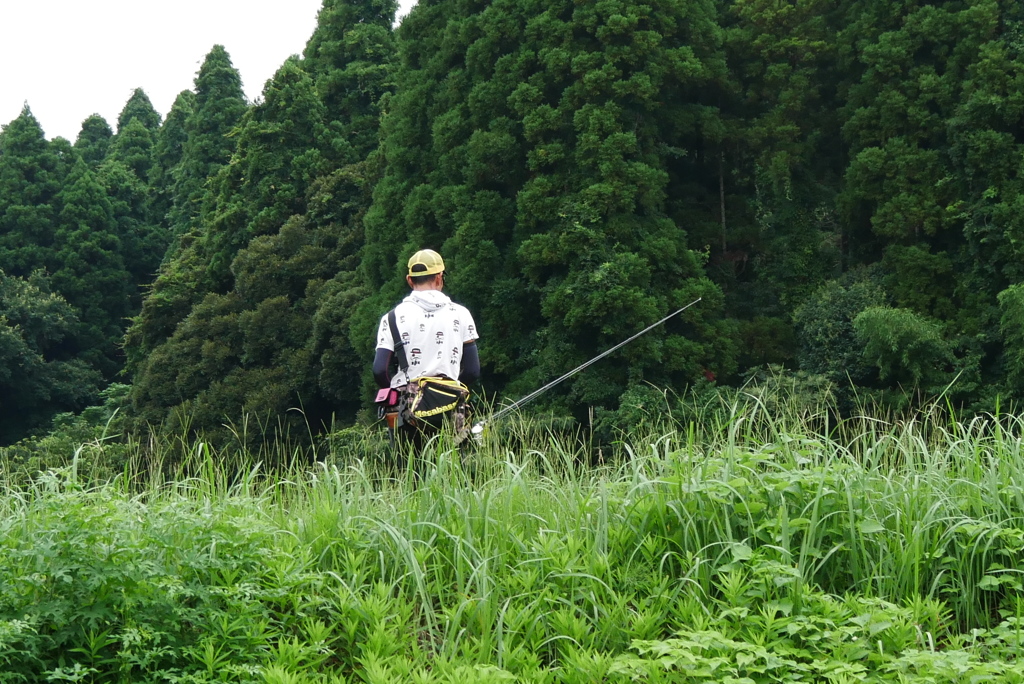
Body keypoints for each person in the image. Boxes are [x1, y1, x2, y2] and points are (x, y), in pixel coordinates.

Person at [373, 249, 480, 457]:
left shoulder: (392, 317)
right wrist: (446, 389)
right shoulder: (461, 314)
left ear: (409, 280)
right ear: (440, 277)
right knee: (454, 472)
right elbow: (473, 371)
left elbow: (379, 370)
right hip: (451, 403)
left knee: (410, 472)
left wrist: (399, 392)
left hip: (405, 408)